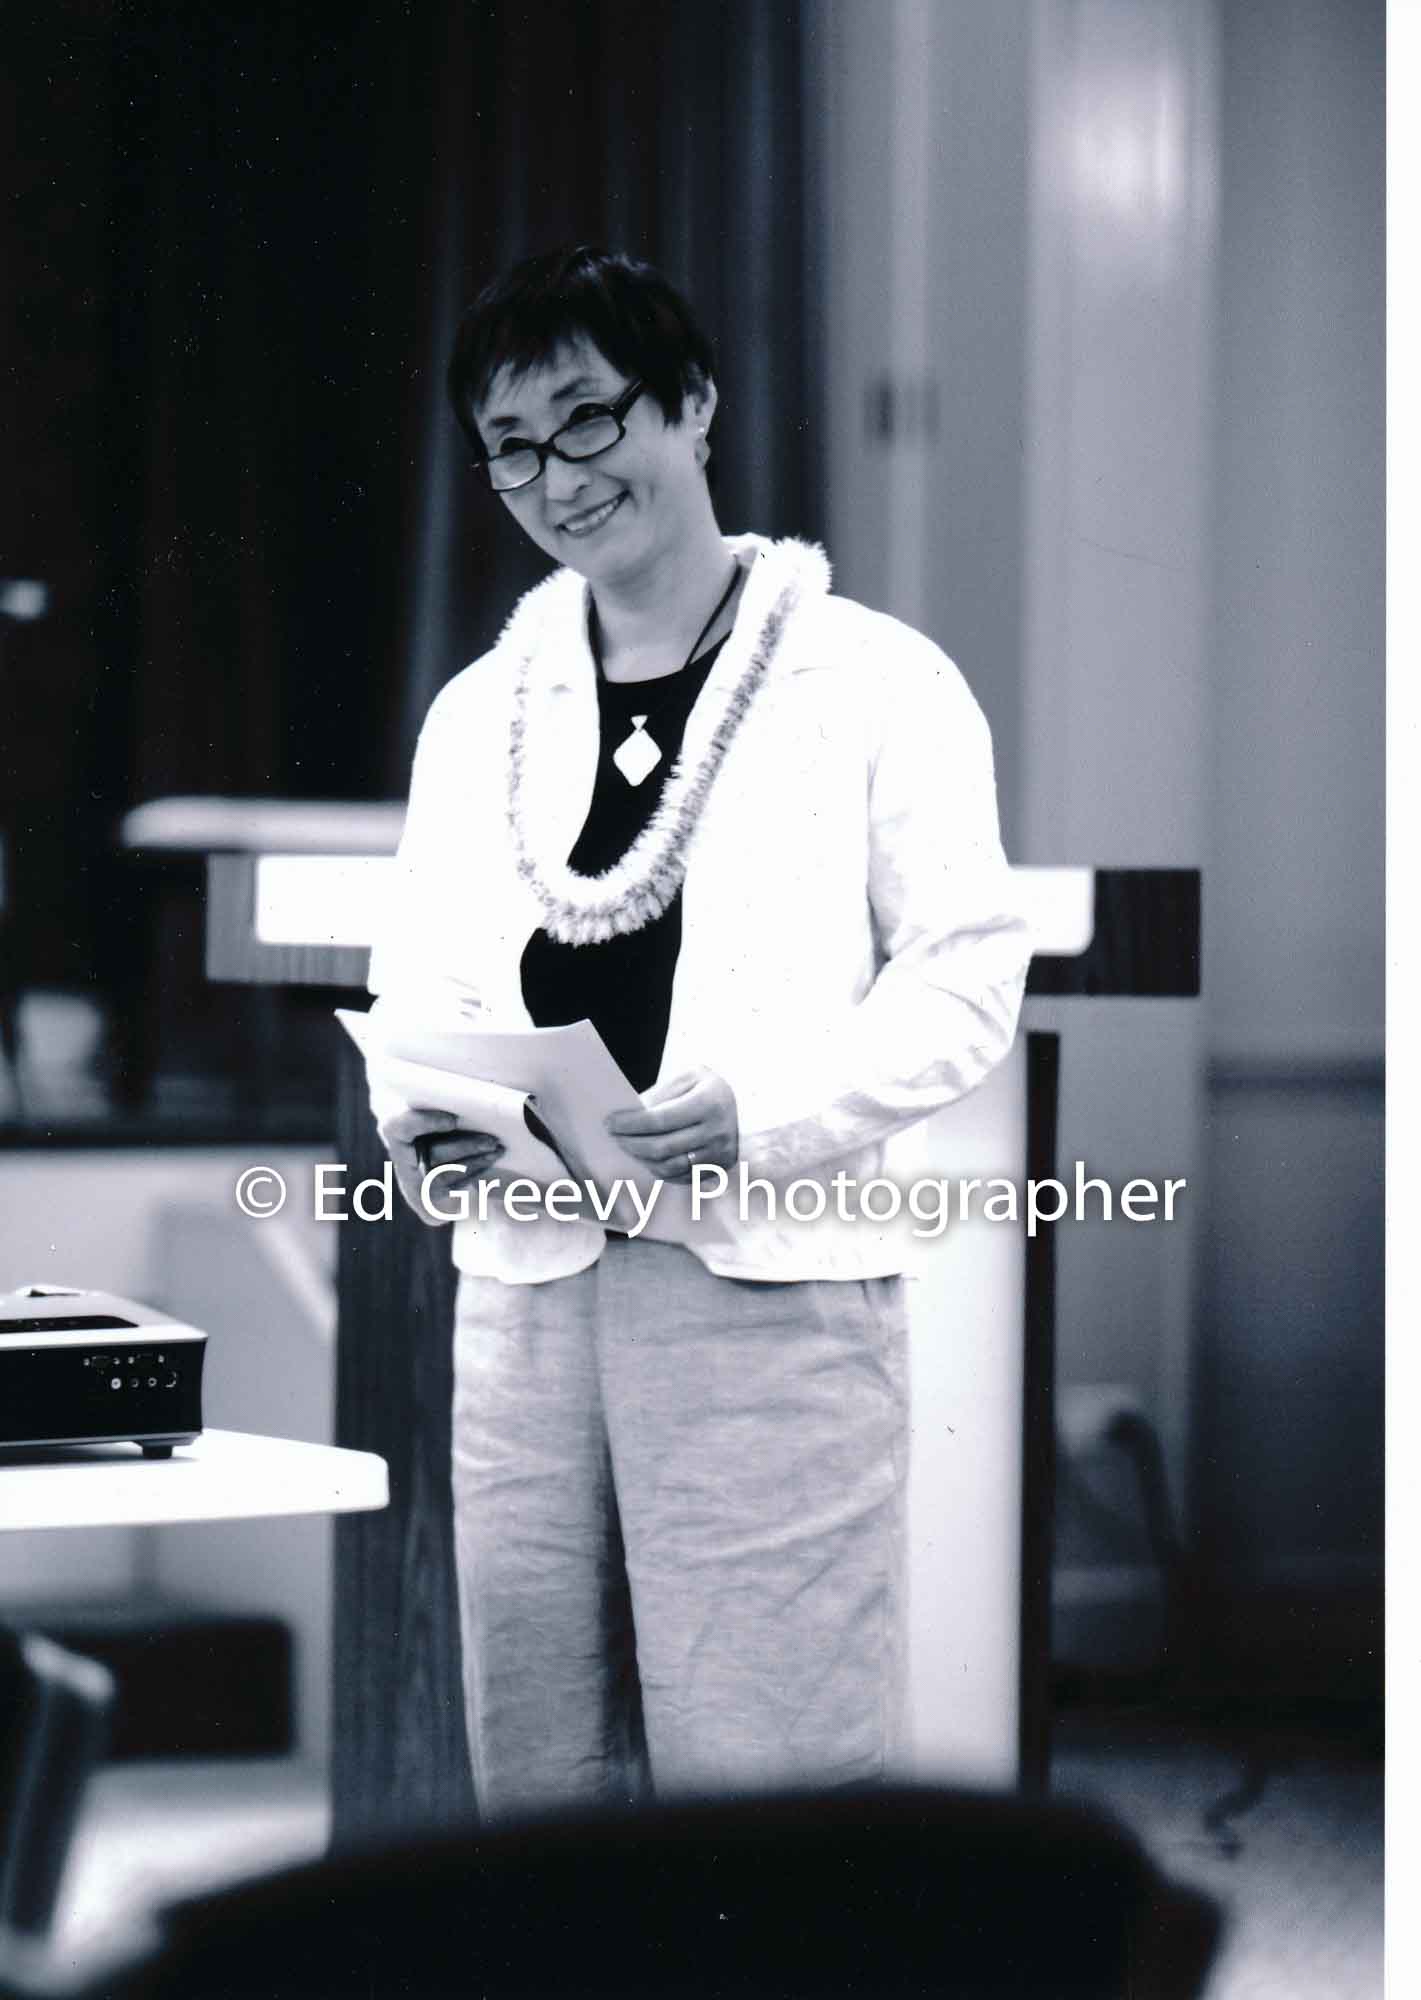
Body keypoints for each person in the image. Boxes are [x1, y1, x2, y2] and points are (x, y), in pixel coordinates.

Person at [364, 245, 1031, 1818]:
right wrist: (430, 1115)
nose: (556, 477)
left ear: (693, 407)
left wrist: (764, 1109)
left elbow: (964, 977)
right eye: (512, 446)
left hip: (763, 1285)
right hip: (530, 1290)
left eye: (589, 419)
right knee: (538, 1757)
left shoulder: (874, 678)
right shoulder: (481, 708)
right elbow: (422, 985)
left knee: (769, 1762)